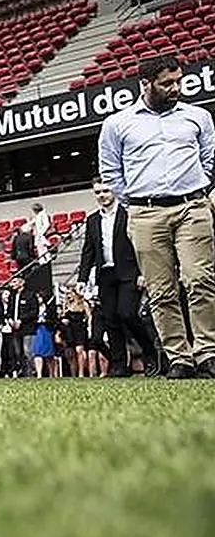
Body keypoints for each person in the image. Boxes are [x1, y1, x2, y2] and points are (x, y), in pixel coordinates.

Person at [97, 54, 215, 378]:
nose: (175, 88)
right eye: (167, 83)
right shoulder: (117, 124)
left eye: (178, 81)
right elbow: (111, 172)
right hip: (146, 213)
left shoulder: (199, 117)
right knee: (161, 290)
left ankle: (207, 352)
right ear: (145, 84)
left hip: (192, 207)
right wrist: (137, 202)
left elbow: (208, 161)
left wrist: (194, 192)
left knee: (200, 279)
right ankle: (179, 357)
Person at [75, 177, 161, 377]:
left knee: (127, 314)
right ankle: (119, 365)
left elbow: (140, 245)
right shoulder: (92, 220)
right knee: (111, 320)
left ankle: (150, 353)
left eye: (105, 191)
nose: (102, 195)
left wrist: (142, 272)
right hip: (105, 274)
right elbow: (88, 251)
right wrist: (82, 278)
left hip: (129, 273)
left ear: (114, 191)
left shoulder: (129, 214)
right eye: (97, 192)